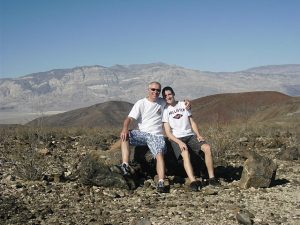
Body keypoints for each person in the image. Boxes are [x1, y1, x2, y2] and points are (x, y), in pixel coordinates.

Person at [162, 86, 220, 191]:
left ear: (173, 94)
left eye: (169, 94)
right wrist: (179, 142)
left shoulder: (184, 105)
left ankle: (212, 178)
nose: (168, 97)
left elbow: (192, 122)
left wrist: (198, 134)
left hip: (190, 135)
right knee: (185, 153)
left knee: (207, 148)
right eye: (165, 96)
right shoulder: (165, 110)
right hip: (177, 138)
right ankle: (193, 181)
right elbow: (168, 132)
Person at [119, 81, 169, 193]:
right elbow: (129, 119)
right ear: (148, 90)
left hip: (156, 136)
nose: (155, 92)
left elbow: (175, 103)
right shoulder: (141, 103)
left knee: (159, 154)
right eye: (153, 89)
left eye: (158, 90)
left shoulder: (162, 102)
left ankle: (161, 181)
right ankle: (125, 165)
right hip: (143, 134)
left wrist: (186, 102)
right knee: (126, 136)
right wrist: (125, 129)